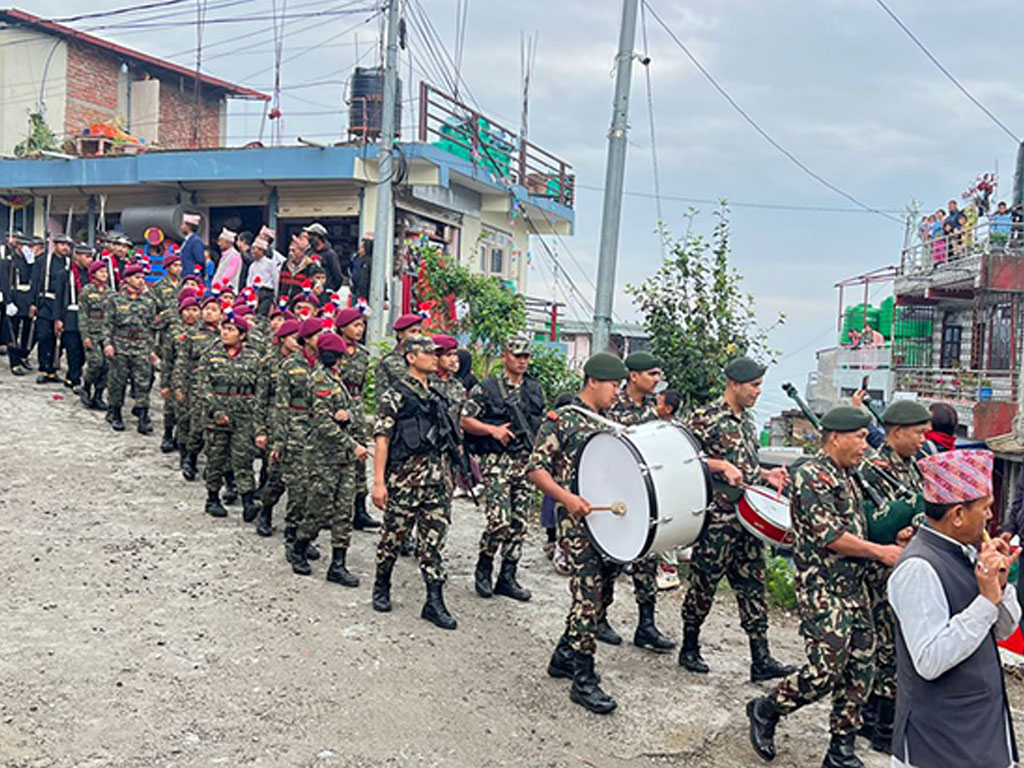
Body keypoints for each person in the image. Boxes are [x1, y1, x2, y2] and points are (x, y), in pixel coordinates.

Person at [746, 406, 903, 768]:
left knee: (861, 666)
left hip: (855, 587)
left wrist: (893, 534)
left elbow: (863, 525)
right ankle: (767, 708)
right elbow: (831, 536)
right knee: (826, 668)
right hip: (823, 587)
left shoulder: (848, 474)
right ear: (835, 437)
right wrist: (881, 552)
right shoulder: (813, 475)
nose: (866, 445)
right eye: (860, 437)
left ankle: (840, 750)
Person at [888, 449, 1020, 768]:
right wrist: (986, 601)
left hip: (977, 732)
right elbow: (930, 660)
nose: (991, 517)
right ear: (958, 515)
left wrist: (1000, 584)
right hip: (938, 742)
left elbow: (1005, 629)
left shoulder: (968, 553)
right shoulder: (919, 568)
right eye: (985, 508)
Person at [679, 356, 794, 682]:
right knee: (704, 583)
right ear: (734, 384)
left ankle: (761, 658)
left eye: (759, 385)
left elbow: (744, 467)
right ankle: (689, 647)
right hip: (717, 520)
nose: (758, 392)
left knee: (753, 587)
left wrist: (766, 474)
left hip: (748, 518)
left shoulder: (747, 420)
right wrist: (719, 466)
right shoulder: (706, 417)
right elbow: (682, 458)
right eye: (754, 386)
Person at [527, 352, 629, 714]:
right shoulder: (565, 419)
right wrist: (566, 498)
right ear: (593, 382)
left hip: (608, 523)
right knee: (587, 597)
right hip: (577, 525)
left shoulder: (611, 423)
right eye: (614, 385)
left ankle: (562, 656)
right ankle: (583, 680)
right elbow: (536, 468)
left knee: (601, 597)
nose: (618, 392)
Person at [856, 399, 930, 755]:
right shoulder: (873, 468)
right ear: (897, 431)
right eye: (917, 433)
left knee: (893, 645)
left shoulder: (912, 465)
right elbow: (869, 521)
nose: (923, 439)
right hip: (879, 572)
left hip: (905, 567)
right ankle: (882, 726)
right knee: (885, 648)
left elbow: (922, 508)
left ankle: (875, 717)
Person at [371, 335, 458, 630]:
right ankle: (381, 584)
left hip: (437, 482)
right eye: (428, 353)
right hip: (405, 481)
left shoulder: (437, 396)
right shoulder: (394, 396)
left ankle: (434, 601)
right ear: (410, 357)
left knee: (433, 543)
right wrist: (378, 483)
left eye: (437, 354)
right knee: (393, 537)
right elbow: (382, 441)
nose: (435, 358)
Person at [462, 337, 545, 603]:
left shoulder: (534, 388)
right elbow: (464, 419)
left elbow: (541, 420)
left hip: (525, 460)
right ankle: (484, 565)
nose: (522, 361)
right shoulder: (487, 388)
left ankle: (507, 577)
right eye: (517, 355)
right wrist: (492, 430)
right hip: (497, 460)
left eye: (526, 357)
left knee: (520, 522)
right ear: (505, 356)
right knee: (500, 521)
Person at [604, 350, 675, 652]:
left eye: (658, 375)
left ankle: (646, 625)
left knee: (648, 558)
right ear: (634, 376)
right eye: (652, 375)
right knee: (609, 561)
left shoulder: (652, 412)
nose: (657, 381)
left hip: (644, 494)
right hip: (613, 494)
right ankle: (598, 617)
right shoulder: (611, 407)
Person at [290, 332, 368, 584]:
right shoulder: (321, 381)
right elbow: (323, 423)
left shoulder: (336, 379)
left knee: (344, 509)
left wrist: (347, 417)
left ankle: (338, 564)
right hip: (324, 456)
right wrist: (352, 444)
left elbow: (347, 412)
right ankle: (299, 548)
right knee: (318, 508)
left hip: (342, 457)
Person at [197, 313, 262, 521]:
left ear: (242, 335)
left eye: (231, 329)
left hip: (244, 416)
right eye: (223, 328)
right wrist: (216, 411)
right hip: (217, 417)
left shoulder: (253, 357)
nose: (225, 332)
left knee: (244, 458)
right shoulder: (210, 354)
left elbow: (259, 388)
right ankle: (212, 497)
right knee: (216, 458)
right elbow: (204, 387)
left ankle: (248, 501)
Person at [280, 318, 326, 565]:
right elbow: (280, 405)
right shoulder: (290, 366)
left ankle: (305, 537)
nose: (322, 339)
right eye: (318, 334)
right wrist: (279, 439)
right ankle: (291, 535)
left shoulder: (325, 366)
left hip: (318, 432)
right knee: (297, 487)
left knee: (314, 487)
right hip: (295, 431)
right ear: (307, 338)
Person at [336, 306, 380, 531]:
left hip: (355, 406)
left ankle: (360, 509)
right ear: (342, 328)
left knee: (360, 458)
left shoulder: (363, 354)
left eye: (362, 325)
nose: (360, 329)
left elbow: (361, 386)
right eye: (355, 325)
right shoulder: (333, 350)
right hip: (335, 407)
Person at [102, 263, 157, 434]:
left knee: (143, 382)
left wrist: (151, 349)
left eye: (143, 278)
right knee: (117, 382)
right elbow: (107, 324)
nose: (141, 281)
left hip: (141, 346)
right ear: (127, 280)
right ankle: (116, 413)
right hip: (121, 345)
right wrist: (108, 344)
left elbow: (151, 327)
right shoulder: (115, 300)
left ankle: (142, 416)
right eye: (137, 277)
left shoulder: (148, 302)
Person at [173, 294, 223, 480]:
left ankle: (213, 466)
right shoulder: (192, 334)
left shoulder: (226, 334)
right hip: (196, 386)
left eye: (214, 310)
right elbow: (182, 363)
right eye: (207, 309)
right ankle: (190, 458)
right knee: (196, 425)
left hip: (219, 388)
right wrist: (178, 387)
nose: (209, 313)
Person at [31, 234, 74, 384]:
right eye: (62, 244)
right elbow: (35, 282)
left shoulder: (70, 264)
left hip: (62, 304)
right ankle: (44, 368)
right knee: (44, 336)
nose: (65, 248)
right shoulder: (43, 261)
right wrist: (33, 303)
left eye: (67, 245)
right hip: (46, 302)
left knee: (59, 339)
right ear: (55, 245)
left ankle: (53, 369)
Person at [59, 242, 92, 391]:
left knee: (83, 353)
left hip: (87, 318)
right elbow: (59, 300)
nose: (89, 260)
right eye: (86, 256)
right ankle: (75, 379)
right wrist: (58, 319)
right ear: (77, 256)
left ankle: (70, 377)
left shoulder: (91, 275)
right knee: (73, 350)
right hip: (70, 317)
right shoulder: (65, 274)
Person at [78, 260, 111, 409]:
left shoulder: (111, 293)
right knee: (95, 362)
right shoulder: (87, 291)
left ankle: (98, 394)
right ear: (93, 274)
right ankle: (86, 386)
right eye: (101, 272)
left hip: (106, 334)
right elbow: (83, 315)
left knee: (106, 364)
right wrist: (85, 336)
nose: (104, 274)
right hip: (92, 332)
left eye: (105, 271)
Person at [375, 312, 426, 407]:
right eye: (413, 331)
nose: (417, 336)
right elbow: (381, 395)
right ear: (400, 335)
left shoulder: (424, 360)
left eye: (419, 332)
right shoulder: (389, 361)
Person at [5, 233, 37, 375]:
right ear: (17, 246)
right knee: (14, 332)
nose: (28, 249)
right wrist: (9, 302)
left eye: (30, 246)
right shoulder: (10, 261)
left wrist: (33, 302)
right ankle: (14, 362)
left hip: (28, 298)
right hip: (15, 297)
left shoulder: (32, 262)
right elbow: (5, 283)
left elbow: (35, 283)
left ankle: (24, 356)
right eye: (25, 246)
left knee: (28, 331)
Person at [303, 223, 346, 291]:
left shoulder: (330, 254)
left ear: (317, 236)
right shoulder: (309, 252)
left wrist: (329, 290)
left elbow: (338, 277)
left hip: (324, 294)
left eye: (311, 235)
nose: (308, 237)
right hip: (310, 293)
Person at [179, 213, 205, 279]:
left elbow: (200, 260)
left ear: (189, 226)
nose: (181, 227)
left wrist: (195, 273)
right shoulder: (187, 240)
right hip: (184, 274)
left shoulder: (195, 241)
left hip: (191, 275)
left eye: (183, 224)